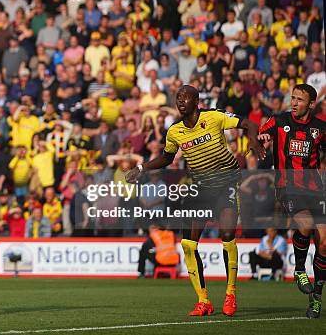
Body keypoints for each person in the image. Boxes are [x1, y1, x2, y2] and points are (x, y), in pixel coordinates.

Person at [127, 85, 264, 317]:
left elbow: (249, 123)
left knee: (228, 235)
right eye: (177, 97)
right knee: (188, 244)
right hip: (201, 188)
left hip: (226, 183)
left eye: (185, 97)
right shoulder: (174, 131)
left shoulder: (213, 116)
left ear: (196, 101)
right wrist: (142, 168)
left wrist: (254, 140)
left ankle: (230, 293)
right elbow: (167, 158)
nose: (180, 101)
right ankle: (203, 301)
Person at [258, 84, 325, 319]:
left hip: (316, 190)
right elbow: (260, 133)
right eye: (292, 98)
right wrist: (262, 138)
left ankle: (315, 299)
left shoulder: (321, 128)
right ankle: (299, 269)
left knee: (325, 244)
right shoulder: (279, 120)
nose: (294, 102)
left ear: (311, 104)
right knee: (305, 225)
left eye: (299, 99)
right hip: (288, 187)